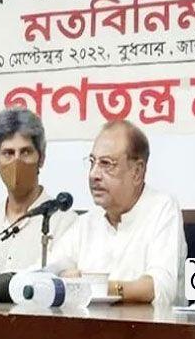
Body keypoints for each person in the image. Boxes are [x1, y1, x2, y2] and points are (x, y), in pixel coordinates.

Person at [45, 120, 186, 306]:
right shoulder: (87, 222)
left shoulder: (162, 208)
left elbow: (159, 288)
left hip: (149, 324)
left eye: (106, 164)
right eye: (92, 162)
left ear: (137, 172)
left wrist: (94, 287)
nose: (93, 174)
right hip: (90, 323)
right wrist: (63, 277)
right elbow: (48, 271)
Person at [0, 108, 77, 273]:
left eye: (25, 152)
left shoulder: (66, 223)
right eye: (8, 153)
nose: (17, 161)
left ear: (41, 158)